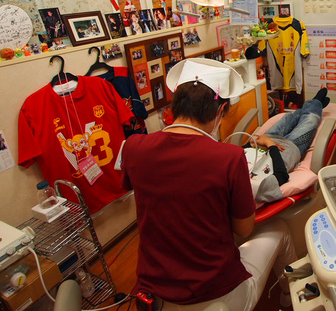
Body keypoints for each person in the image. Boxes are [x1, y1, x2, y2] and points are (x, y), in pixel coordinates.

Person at [121, 58, 297, 310]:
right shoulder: (229, 158)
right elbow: (244, 229)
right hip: (215, 295)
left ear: (174, 104)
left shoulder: (133, 147)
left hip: (155, 295)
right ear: (220, 110)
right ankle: (290, 298)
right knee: (279, 229)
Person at [246, 88, 330, 203]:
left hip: (265, 140)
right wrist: (271, 146)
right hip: (289, 148)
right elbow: (282, 175)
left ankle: (316, 104)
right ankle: (316, 102)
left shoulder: (228, 172)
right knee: (310, 120)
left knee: (290, 117)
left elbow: (240, 150)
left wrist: (252, 144)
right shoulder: (256, 189)